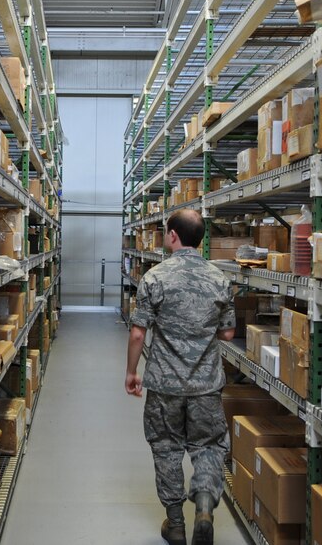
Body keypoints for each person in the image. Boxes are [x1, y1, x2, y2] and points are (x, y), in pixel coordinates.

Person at [126, 208, 235, 545]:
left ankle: (175, 525)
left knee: (166, 448)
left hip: (164, 384)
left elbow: (137, 334)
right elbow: (228, 334)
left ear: (172, 235)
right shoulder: (219, 278)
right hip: (206, 385)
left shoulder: (155, 277)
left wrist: (132, 372)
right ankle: (204, 503)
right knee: (209, 446)